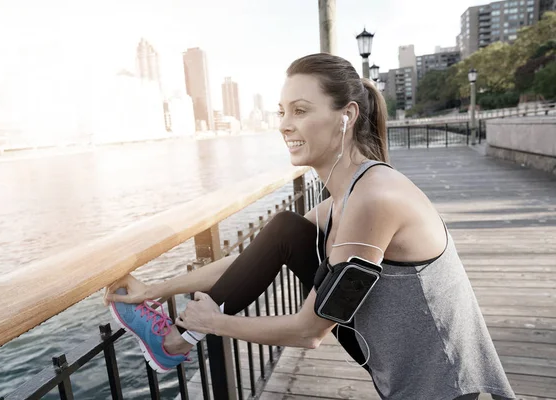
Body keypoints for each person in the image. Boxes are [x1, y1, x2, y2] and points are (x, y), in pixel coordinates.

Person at [104, 53, 516, 400]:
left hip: (452, 388)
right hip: (406, 379)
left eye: (300, 111)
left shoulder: (374, 199)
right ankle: (174, 343)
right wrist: (154, 290)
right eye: (282, 112)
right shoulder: (345, 196)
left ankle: (176, 342)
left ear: (346, 116)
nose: (285, 124)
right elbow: (251, 259)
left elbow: (309, 331)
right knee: (283, 230)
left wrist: (213, 323)